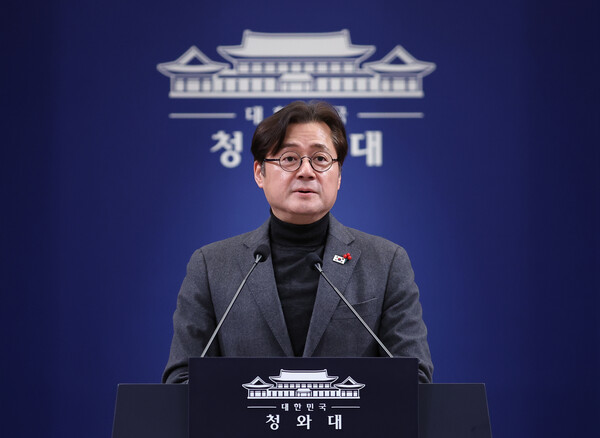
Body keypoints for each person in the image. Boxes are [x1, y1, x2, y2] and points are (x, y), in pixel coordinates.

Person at [163, 101, 433, 383]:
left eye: (320, 159)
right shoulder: (211, 266)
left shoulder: (386, 263)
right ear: (259, 173)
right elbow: (182, 379)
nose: (306, 171)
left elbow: (414, 379)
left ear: (339, 176)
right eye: (289, 158)